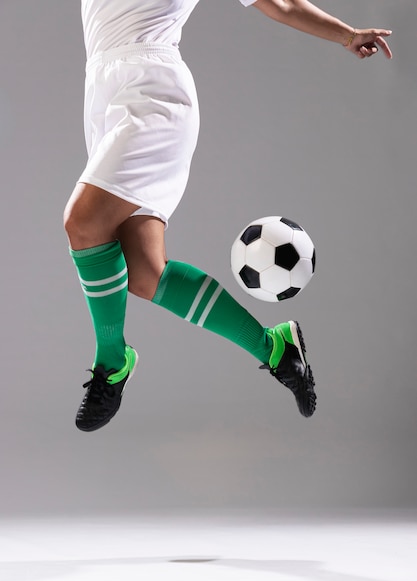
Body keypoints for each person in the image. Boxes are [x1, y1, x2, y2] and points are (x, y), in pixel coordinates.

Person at [64, 0, 392, 432]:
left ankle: (111, 360)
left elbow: (282, 3)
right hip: (104, 95)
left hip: (152, 91)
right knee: (145, 273)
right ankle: (274, 348)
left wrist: (347, 36)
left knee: (82, 223)